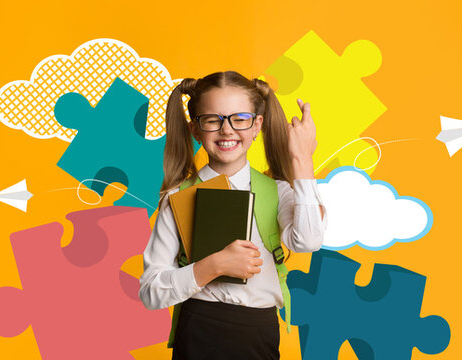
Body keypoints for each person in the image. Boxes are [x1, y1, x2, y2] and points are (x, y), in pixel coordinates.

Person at [138, 70, 326, 360]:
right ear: (195, 129)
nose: (227, 130)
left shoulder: (280, 192)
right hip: (197, 330)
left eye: (239, 119)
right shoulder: (177, 198)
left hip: (258, 333)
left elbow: (308, 241)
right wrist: (213, 266)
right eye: (212, 120)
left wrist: (302, 160)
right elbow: (151, 292)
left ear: (257, 125)